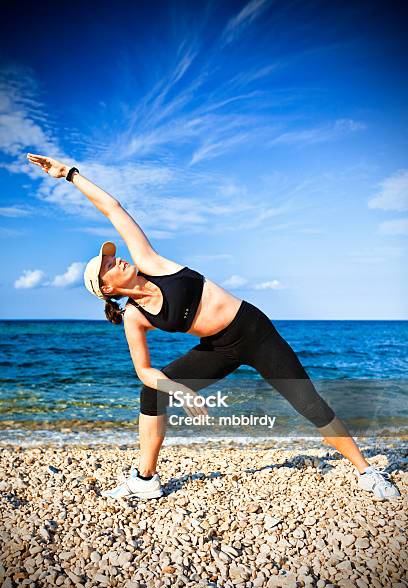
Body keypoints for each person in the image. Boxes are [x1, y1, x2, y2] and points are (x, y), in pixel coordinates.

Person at [26, 153, 400, 502]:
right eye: (108, 264)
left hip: (254, 331)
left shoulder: (150, 261)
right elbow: (144, 371)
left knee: (307, 402)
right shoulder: (134, 316)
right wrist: (181, 391)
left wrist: (70, 175)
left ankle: (366, 470)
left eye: (111, 256)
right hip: (219, 348)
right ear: (107, 288)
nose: (116, 258)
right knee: (152, 394)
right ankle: (145, 480)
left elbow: (113, 209)